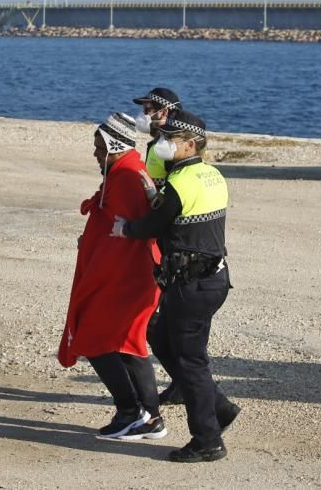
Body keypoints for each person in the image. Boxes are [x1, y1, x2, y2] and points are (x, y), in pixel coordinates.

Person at [111, 110, 241, 463]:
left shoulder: (179, 184)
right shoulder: (212, 175)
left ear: (189, 144)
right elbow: (176, 212)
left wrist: (124, 228)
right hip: (212, 279)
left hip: (192, 285)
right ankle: (220, 407)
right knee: (160, 336)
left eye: (170, 138)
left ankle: (207, 440)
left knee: (191, 363)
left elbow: (152, 224)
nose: (164, 142)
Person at [58, 112, 166, 440]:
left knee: (99, 339)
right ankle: (145, 416)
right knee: (125, 343)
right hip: (123, 277)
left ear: (114, 145)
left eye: (99, 148)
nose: (95, 155)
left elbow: (132, 234)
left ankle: (134, 413)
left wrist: (98, 274)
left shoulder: (128, 177)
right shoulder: (123, 172)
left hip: (125, 279)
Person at [132, 86, 185, 406]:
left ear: (167, 112)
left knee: (161, 318)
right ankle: (181, 379)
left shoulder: (170, 148)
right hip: (157, 235)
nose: (145, 114)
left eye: (151, 108)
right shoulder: (157, 144)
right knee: (160, 318)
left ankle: (185, 380)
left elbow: (172, 193)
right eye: (145, 108)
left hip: (167, 240)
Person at [132, 87, 182, 188]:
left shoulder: (170, 147)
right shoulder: (159, 142)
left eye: (147, 110)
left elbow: (177, 187)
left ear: (163, 113)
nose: (143, 115)